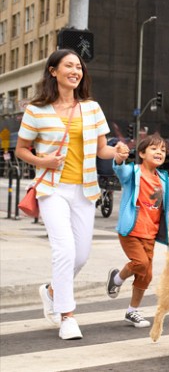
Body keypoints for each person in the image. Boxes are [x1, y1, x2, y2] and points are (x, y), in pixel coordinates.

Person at [15, 49, 127, 340]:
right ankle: (67, 316)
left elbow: (103, 150)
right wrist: (44, 161)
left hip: (85, 189)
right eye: (69, 65)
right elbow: (21, 149)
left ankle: (51, 291)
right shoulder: (36, 110)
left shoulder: (91, 108)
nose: (76, 71)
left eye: (79, 66)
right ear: (53, 71)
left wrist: (116, 153)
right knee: (64, 251)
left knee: (80, 256)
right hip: (51, 189)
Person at [105, 134, 169, 328]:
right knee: (140, 263)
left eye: (163, 150)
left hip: (150, 234)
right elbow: (120, 171)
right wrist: (119, 159)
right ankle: (117, 278)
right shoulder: (133, 172)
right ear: (141, 153)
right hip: (130, 230)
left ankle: (132, 311)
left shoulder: (163, 179)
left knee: (145, 274)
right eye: (154, 149)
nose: (159, 152)